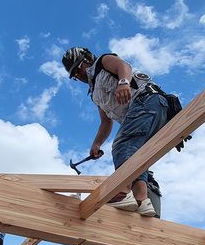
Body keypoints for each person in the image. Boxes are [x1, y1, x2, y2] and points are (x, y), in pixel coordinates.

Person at [62, 46, 169, 216]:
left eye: (78, 68)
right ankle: (142, 201)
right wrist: (97, 143)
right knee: (134, 154)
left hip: (148, 101)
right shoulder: (95, 94)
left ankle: (124, 193)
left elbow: (123, 66)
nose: (78, 75)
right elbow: (106, 122)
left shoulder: (103, 62)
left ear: (87, 59)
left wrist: (124, 82)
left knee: (123, 145)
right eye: (74, 75)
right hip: (146, 113)